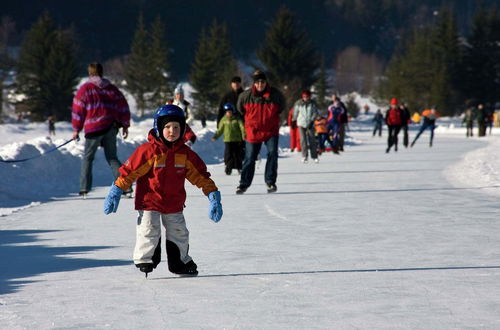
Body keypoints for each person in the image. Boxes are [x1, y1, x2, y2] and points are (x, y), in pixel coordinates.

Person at [103, 104, 222, 277]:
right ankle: (145, 258)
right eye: (167, 127)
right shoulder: (148, 151)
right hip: (150, 201)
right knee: (148, 228)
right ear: (158, 127)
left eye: (176, 127)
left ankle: (180, 262)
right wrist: (116, 190)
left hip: (174, 202)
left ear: (182, 129)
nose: (172, 131)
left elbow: (201, 176)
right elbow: (129, 172)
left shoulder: (185, 154)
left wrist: (213, 195)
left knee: (179, 232)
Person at [72, 62, 130, 197]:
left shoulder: (85, 89)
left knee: (88, 158)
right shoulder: (112, 89)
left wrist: (76, 128)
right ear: (101, 72)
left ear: (89, 73)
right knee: (112, 158)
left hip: (93, 129)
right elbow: (123, 106)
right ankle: (125, 186)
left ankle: (84, 188)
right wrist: (125, 124)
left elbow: (78, 110)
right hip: (110, 127)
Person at [235, 70, 285, 194]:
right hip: (253, 131)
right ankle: (243, 184)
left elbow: (281, 107)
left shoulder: (275, 95)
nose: (260, 84)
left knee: (273, 154)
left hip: (271, 131)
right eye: (257, 82)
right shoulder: (246, 96)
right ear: (254, 83)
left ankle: (270, 182)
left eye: (262, 82)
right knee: (250, 157)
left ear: (266, 82)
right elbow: (239, 109)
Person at [211, 103, 245, 175]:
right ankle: (228, 168)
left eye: (230, 111)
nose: (229, 113)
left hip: (237, 140)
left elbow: (242, 127)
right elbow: (220, 130)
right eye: (227, 112)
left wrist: (244, 135)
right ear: (225, 112)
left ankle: (239, 167)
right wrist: (215, 136)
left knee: (237, 154)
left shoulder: (237, 118)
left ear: (233, 111)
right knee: (228, 154)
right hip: (228, 140)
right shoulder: (223, 120)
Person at [292, 90, 319, 163]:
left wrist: (312, 121)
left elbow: (315, 113)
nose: (305, 98)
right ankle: (304, 156)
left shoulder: (312, 104)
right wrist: (293, 120)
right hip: (301, 123)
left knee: (312, 140)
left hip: (310, 124)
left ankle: (314, 156)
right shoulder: (298, 103)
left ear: (309, 97)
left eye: (307, 97)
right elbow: (295, 112)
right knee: (303, 140)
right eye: (304, 97)